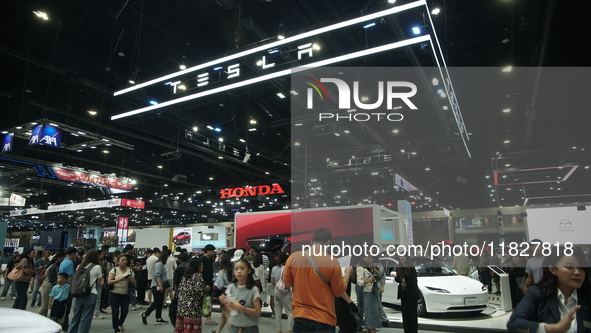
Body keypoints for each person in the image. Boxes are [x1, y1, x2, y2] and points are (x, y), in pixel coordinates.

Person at [283, 228, 358, 333]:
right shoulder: (332, 262)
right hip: (324, 317)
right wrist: (348, 274)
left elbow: (286, 284)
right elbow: (338, 292)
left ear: (311, 241)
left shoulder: (293, 258)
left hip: (300, 315)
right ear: (328, 242)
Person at [507, 246, 591, 333]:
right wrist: (555, 328)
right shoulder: (537, 294)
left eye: (581, 267)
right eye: (569, 267)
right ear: (553, 269)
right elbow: (514, 324)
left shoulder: (587, 296)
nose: (577, 272)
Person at [220, 259, 262, 333]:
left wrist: (241, 308)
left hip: (250, 328)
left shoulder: (253, 290)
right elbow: (230, 309)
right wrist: (225, 302)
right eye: (236, 269)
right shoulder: (231, 287)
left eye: (242, 268)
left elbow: (257, 312)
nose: (239, 271)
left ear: (248, 271)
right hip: (234, 327)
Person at [68, 249, 104, 333]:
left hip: (78, 293)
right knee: (86, 319)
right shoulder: (97, 267)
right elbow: (99, 283)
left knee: (75, 317)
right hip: (90, 294)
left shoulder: (80, 266)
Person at [175, 258, 207, 333]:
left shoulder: (185, 276)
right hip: (193, 308)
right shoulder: (198, 276)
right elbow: (199, 291)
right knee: (192, 329)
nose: (202, 266)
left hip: (182, 307)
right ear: (197, 266)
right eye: (201, 264)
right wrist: (206, 289)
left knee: (183, 329)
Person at [108, 254, 136, 333]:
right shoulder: (114, 270)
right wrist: (120, 279)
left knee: (125, 311)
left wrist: (131, 280)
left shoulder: (130, 271)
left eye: (125, 260)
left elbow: (134, 282)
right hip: (114, 293)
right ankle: (116, 328)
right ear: (118, 262)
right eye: (122, 260)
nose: (124, 262)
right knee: (115, 312)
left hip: (125, 294)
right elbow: (109, 282)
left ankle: (120, 323)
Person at [141, 250, 170, 325]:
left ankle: (158, 317)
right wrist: (160, 285)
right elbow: (157, 275)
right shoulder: (159, 265)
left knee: (159, 302)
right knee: (157, 302)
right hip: (157, 286)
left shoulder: (159, 264)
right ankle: (145, 314)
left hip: (158, 286)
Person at [356, 254, 381, 333]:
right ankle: (367, 327)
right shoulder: (360, 268)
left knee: (374, 311)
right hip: (367, 291)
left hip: (374, 290)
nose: (370, 258)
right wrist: (369, 281)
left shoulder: (370, 267)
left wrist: (375, 267)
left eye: (370, 257)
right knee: (369, 312)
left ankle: (370, 328)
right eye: (368, 257)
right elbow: (359, 282)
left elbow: (380, 272)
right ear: (363, 258)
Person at [395, 254, 418, 333]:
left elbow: (414, 282)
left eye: (404, 256)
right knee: (405, 315)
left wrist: (406, 284)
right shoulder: (399, 268)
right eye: (401, 257)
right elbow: (398, 280)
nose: (402, 258)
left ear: (407, 258)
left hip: (411, 294)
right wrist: (396, 277)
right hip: (403, 293)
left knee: (412, 315)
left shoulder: (412, 268)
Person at [271, 252, 293, 333]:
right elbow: (289, 281)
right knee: (290, 312)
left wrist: (277, 286)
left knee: (278, 313)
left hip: (276, 290)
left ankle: (279, 330)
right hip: (284, 291)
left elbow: (272, 281)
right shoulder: (286, 268)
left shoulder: (273, 268)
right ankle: (289, 330)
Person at [38, 251, 65, 317]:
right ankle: (37, 317)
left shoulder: (51, 265)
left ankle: (43, 319)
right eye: (62, 258)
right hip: (47, 286)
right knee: (45, 305)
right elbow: (51, 279)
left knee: (45, 306)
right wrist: (58, 280)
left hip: (46, 286)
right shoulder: (54, 266)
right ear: (58, 258)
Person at [213, 254, 233, 333]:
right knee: (224, 315)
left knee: (228, 316)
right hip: (233, 292)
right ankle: (218, 331)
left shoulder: (222, 271)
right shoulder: (233, 270)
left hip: (225, 292)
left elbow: (219, 284)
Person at [59, 247, 77, 332]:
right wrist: (72, 288)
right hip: (67, 288)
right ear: (73, 253)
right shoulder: (70, 263)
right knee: (67, 307)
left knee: (62, 306)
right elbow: (70, 277)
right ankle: (65, 325)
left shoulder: (63, 262)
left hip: (61, 286)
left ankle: (62, 323)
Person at [170, 252, 190, 326]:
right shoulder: (190, 269)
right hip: (189, 293)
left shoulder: (179, 269)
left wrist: (176, 292)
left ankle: (177, 327)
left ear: (180, 260)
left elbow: (176, 282)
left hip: (180, 293)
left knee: (173, 311)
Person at [201, 244, 217, 326]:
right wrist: (204, 284)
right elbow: (201, 273)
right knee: (204, 301)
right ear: (208, 251)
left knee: (209, 300)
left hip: (210, 282)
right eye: (212, 251)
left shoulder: (210, 259)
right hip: (204, 283)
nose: (213, 252)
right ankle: (207, 318)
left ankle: (208, 317)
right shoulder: (202, 259)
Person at [123, 244, 142, 311]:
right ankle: (133, 303)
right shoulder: (124, 257)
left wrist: (136, 266)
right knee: (129, 290)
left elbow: (132, 264)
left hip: (132, 274)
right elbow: (124, 266)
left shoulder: (132, 257)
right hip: (126, 274)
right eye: (130, 249)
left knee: (132, 289)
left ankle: (133, 303)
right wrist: (133, 267)